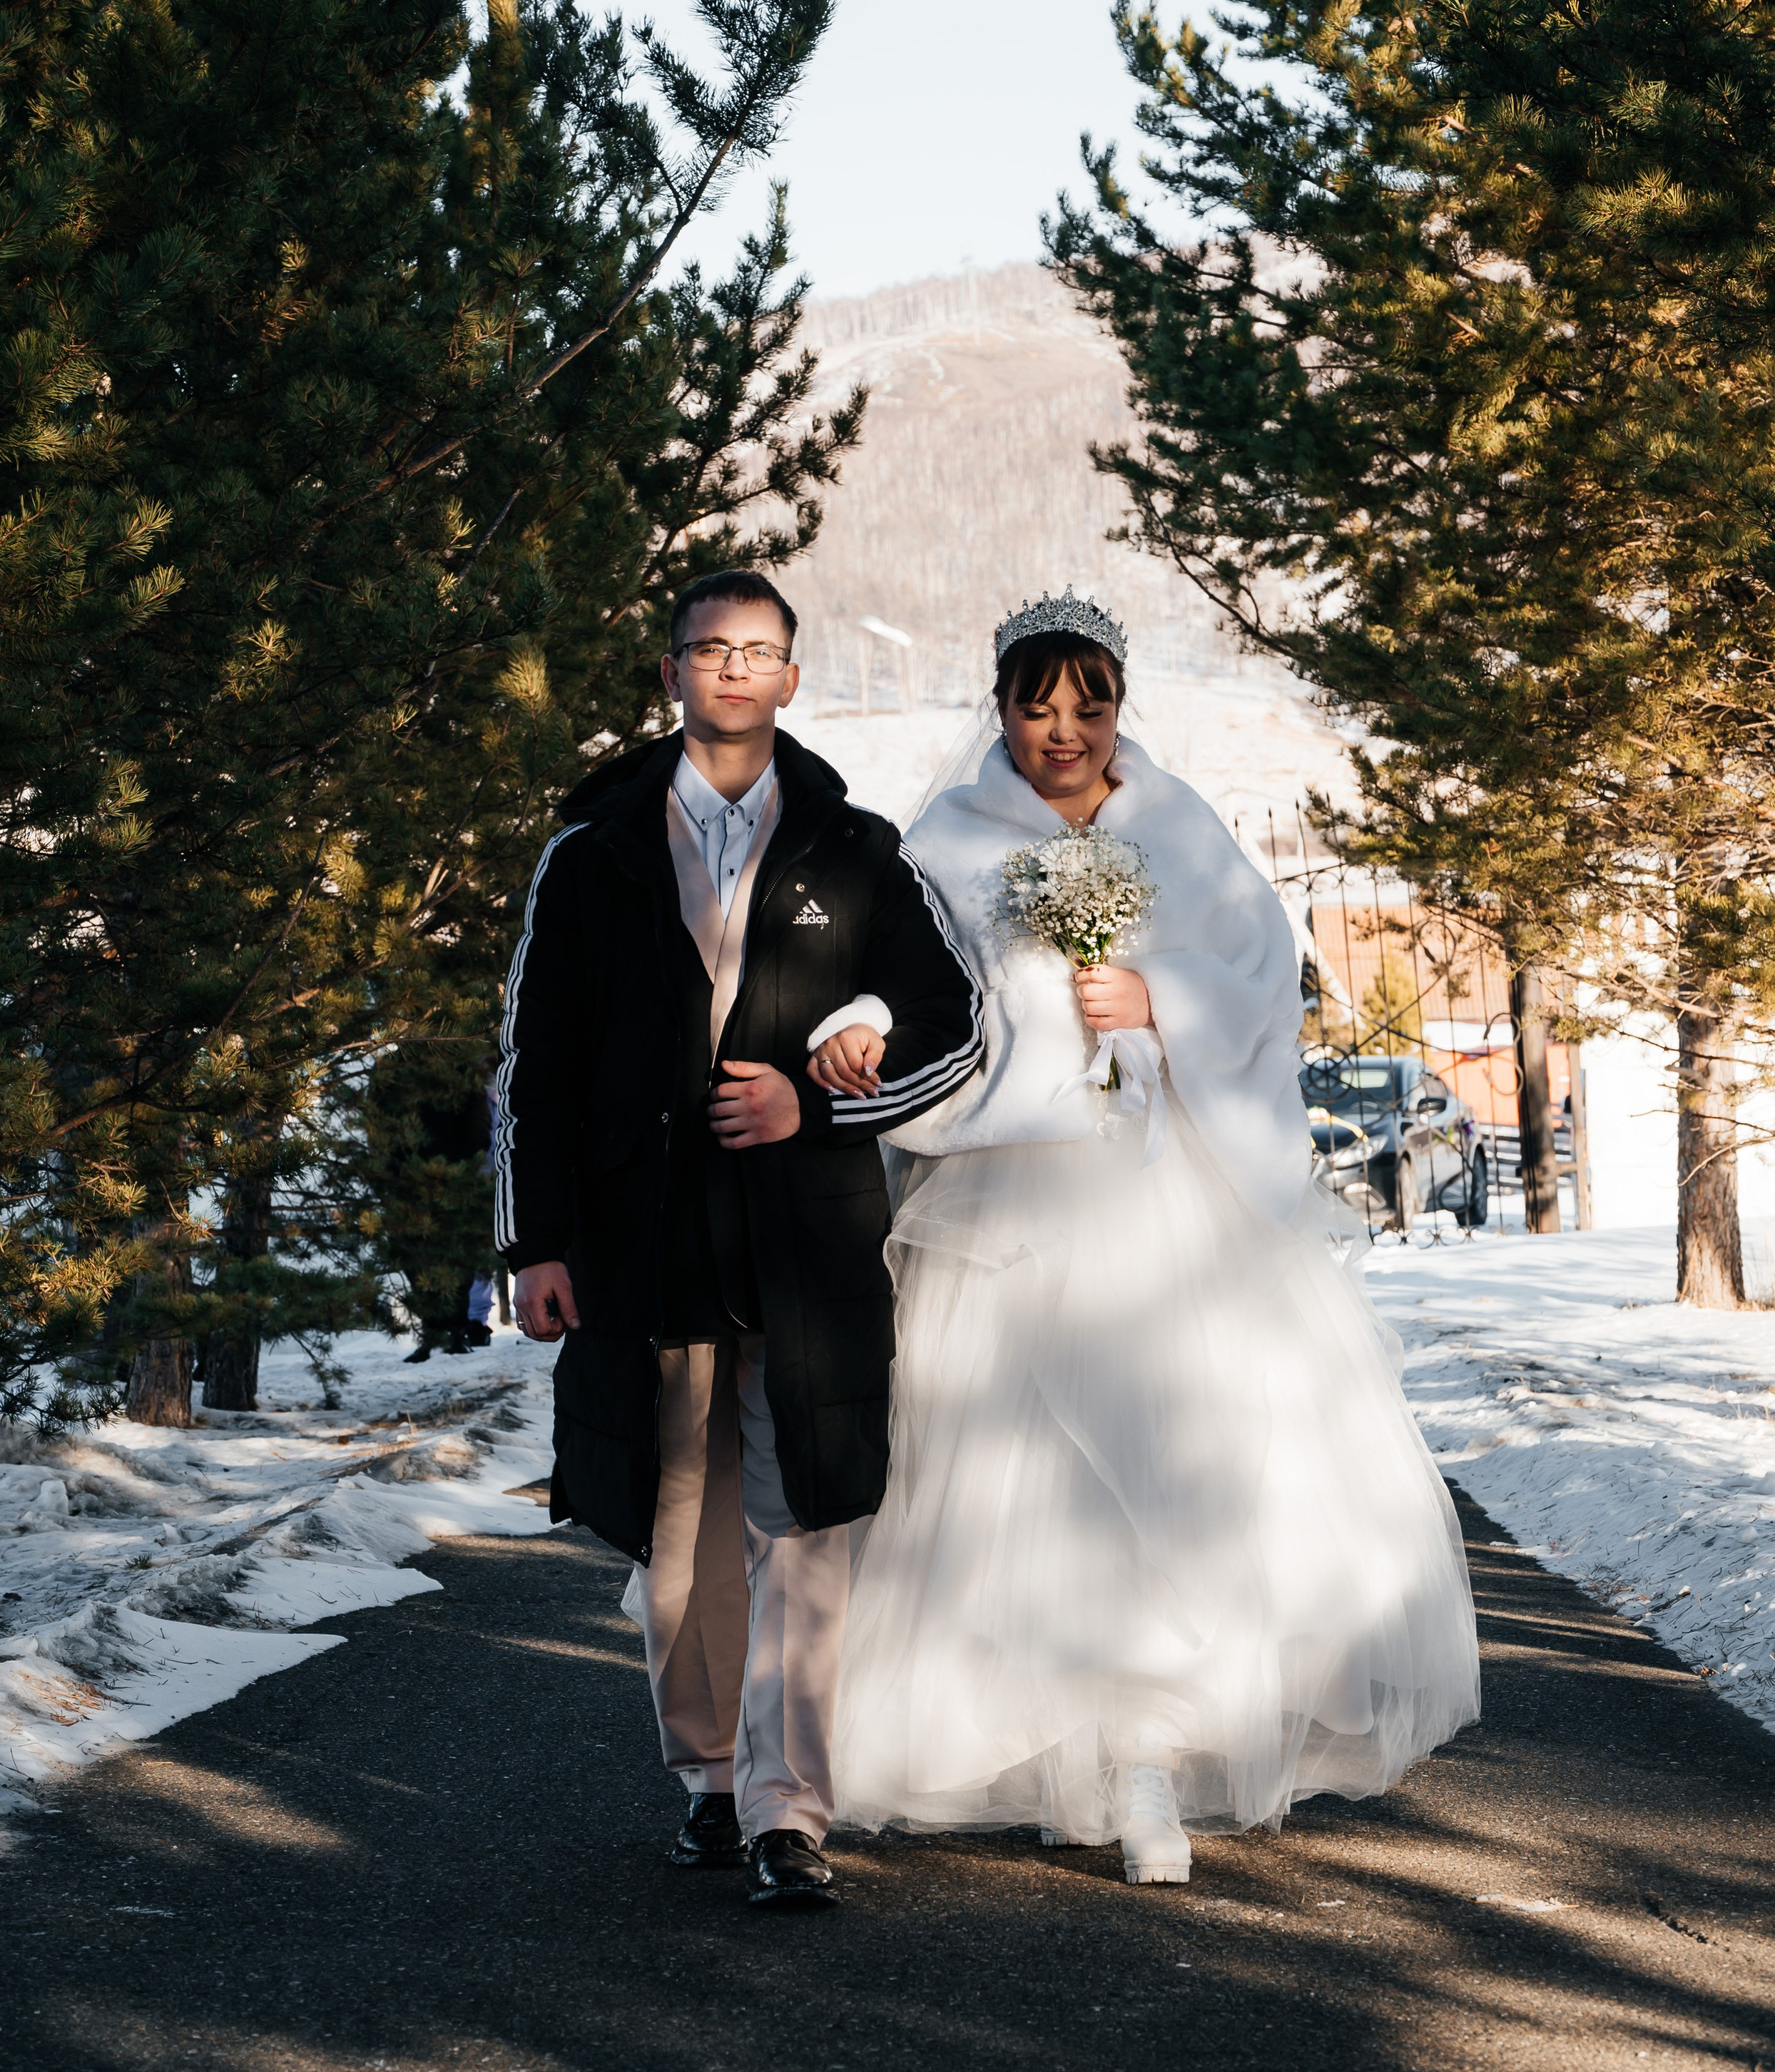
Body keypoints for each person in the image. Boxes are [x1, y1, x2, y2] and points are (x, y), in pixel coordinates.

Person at [831, 592, 1480, 1881]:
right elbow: (898, 969)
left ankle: (1153, 1759)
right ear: (1002, 709)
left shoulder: (1177, 826)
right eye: (1037, 705)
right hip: (1014, 1199)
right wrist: (853, 1016)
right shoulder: (949, 841)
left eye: (1090, 704)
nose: (1063, 731)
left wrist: (1154, 996)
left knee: (1179, 1469)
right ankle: (1057, 1738)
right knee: (1019, 1478)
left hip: (1169, 1193)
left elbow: (1258, 980)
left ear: (1121, 706)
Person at [495, 569, 982, 1907]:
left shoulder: (859, 849)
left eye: (757, 651)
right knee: (679, 1528)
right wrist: (534, 1244)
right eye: (709, 649)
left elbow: (960, 1028)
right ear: (672, 673)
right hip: (644, 1240)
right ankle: (708, 1779)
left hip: (804, 1246)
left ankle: (787, 1810)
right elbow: (531, 1063)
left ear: (792, 678)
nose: (732, 671)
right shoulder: (589, 848)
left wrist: (820, 1108)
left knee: (801, 1527)